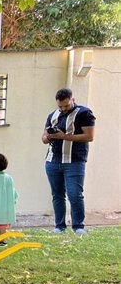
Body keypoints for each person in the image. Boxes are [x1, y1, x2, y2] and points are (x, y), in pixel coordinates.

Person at [41, 88, 95, 234]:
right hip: (52, 161)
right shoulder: (53, 115)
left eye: (66, 105)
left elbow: (89, 136)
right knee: (57, 195)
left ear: (73, 99)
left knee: (74, 194)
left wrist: (64, 136)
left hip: (74, 160)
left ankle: (78, 227)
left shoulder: (84, 113)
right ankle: (59, 226)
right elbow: (44, 138)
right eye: (60, 106)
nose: (63, 109)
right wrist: (50, 137)